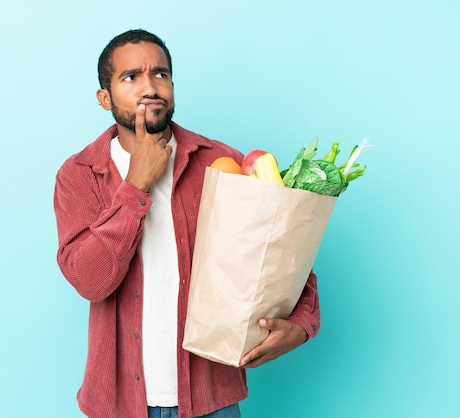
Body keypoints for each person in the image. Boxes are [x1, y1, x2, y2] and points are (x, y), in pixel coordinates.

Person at [53, 29, 321, 418]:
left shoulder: (222, 163)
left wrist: (301, 323)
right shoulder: (79, 175)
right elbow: (91, 280)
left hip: (212, 400)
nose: (150, 87)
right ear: (104, 98)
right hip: (119, 406)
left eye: (160, 74)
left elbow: (284, 252)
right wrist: (137, 185)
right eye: (131, 77)